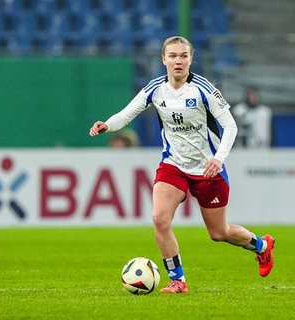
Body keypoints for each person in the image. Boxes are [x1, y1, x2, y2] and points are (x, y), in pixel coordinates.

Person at [89, 36, 275, 294]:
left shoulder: (204, 89)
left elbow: (230, 126)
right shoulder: (155, 89)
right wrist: (107, 125)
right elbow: (127, 114)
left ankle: (262, 247)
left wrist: (218, 159)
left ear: (190, 59)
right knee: (159, 219)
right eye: (173, 56)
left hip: (208, 169)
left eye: (183, 56)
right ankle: (178, 280)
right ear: (163, 59)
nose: (178, 60)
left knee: (219, 233)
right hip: (173, 165)